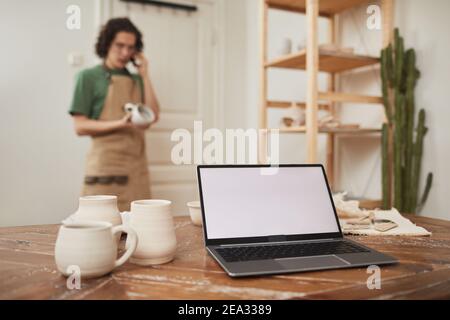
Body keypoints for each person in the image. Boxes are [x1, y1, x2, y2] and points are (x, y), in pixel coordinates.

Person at [69, 17, 159, 211]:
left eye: (131, 47)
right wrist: (119, 123)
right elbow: (80, 126)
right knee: (102, 231)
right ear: (107, 43)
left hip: (136, 170)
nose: (125, 53)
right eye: (120, 45)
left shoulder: (137, 80)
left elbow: (153, 117)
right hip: (105, 169)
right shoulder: (88, 77)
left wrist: (145, 74)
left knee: (138, 232)